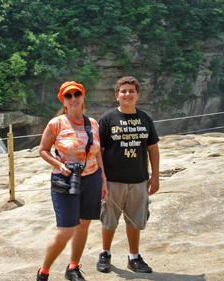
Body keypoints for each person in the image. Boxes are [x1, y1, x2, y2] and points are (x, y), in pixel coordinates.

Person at [37, 81, 108, 281]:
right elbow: (43, 149)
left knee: (83, 225)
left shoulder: (93, 123)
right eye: (69, 96)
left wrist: (103, 179)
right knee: (66, 231)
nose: (74, 98)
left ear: (83, 98)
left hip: (92, 179)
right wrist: (59, 165)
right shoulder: (56, 123)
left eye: (77, 94)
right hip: (65, 180)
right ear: (64, 100)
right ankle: (43, 272)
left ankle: (73, 268)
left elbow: (97, 153)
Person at [96, 76, 160, 274]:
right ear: (117, 96)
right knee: (109, 220)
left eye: (132, 91)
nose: (127, 94)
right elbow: (98, 151)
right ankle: (105, 254)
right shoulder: (107, 119)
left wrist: (155, 176)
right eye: (123, 91)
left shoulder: (145, 118)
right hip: (113, 180)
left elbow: (153, 148)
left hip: (139, 179)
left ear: (138, 95)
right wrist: (102, 178)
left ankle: (134, 257)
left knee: (135, 221)